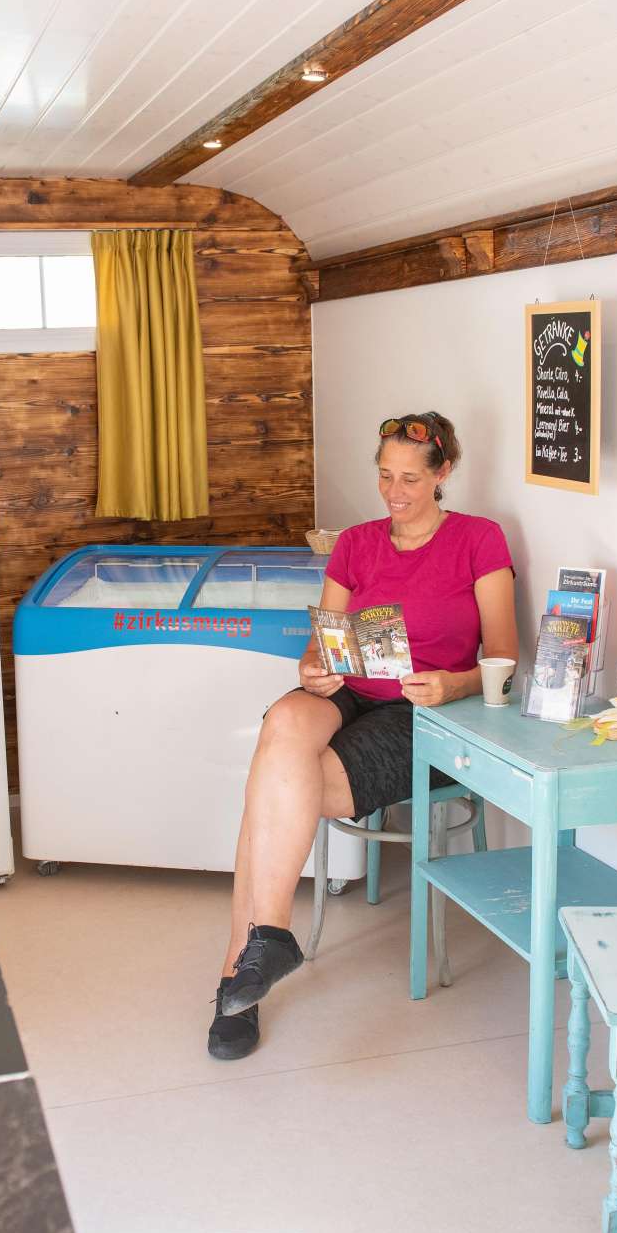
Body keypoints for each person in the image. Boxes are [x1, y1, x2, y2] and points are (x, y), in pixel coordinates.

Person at [209, 411, 518, 1059]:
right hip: (351, 691)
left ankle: (240, 969)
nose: (394, 492)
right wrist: (311, 668)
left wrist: (454, 684)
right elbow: (320, 642)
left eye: (410, 479)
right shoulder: (355, 543)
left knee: (272, 780)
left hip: (422, 711)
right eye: (384, 476)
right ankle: (269, 937)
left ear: (443, 473)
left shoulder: (479, 540)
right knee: (284, 723)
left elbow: (504, 659)